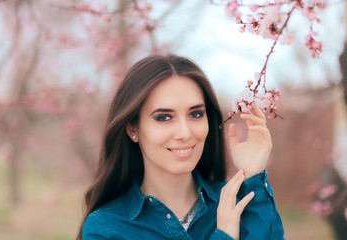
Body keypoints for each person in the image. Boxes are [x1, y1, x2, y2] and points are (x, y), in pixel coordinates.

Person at [77, 54, 285, 240]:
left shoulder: (242, 203)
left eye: (195, 114)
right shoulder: (107, 227)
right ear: (133, 129)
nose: (185, 133)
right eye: (164, 117)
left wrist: (252, 176)